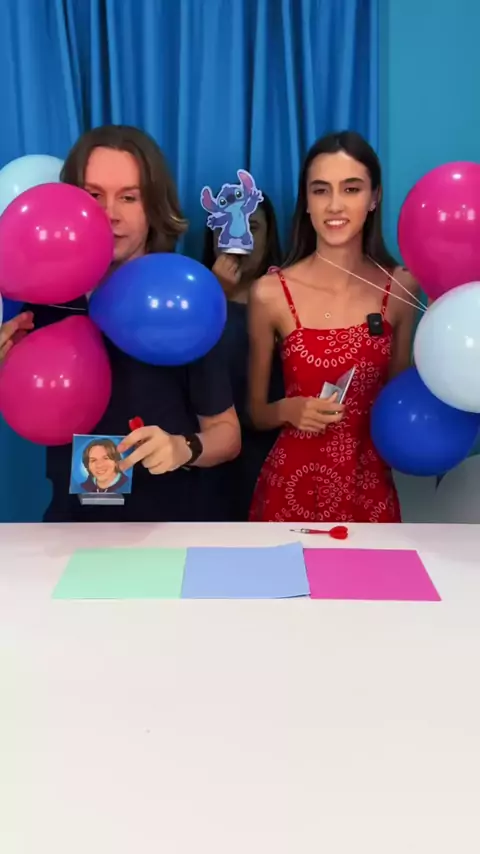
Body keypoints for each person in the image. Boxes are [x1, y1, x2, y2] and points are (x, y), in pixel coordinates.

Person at [5, 125, 240, 522]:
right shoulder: (40, 305)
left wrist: (183, 448)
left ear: (153, 208)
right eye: (93, 195)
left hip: (169, 528)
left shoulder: (181, 299)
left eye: (129, 197)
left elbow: (227, 435)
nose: (109, 214)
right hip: (70, 529)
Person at [248, 131, 420, 523]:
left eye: (351, 189)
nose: (335, 205)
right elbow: (256, 412)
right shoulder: (270, 293)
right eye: (321, 190)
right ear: (306, 202)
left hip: (370, 487)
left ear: (374, 198)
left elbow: (399, 404)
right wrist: (288, 409)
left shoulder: (401, 287)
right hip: (290, 490)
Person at [201, 193, 284, 520]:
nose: (239, 234)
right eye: (224, 224)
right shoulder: (190, 293)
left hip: (269, 450)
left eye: (253, 226)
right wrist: (213, 293)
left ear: (268, 236)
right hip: (207, 453)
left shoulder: (288, 296)